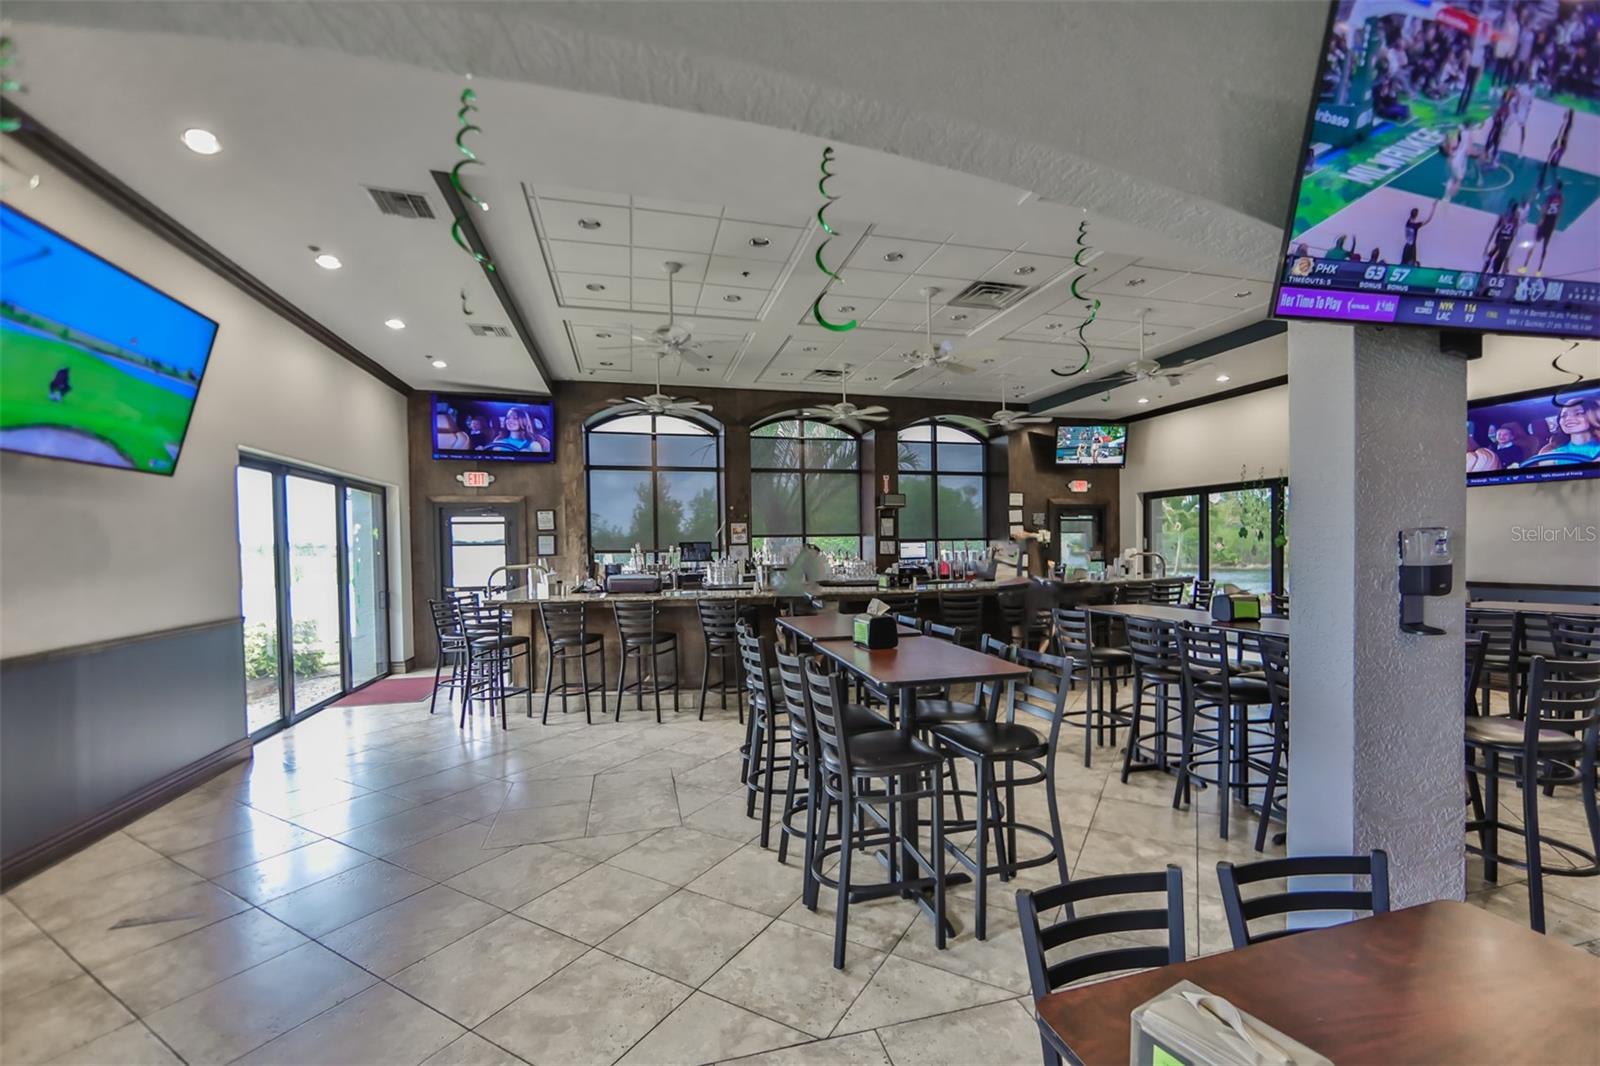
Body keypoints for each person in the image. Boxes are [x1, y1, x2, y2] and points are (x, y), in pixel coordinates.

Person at [1533, 398, 1600, 464]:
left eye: (1578, 413)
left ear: (1594, 415)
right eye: (1564, 415)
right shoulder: (1551, 455)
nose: (1568, 418)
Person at [1521, 180, 1564, 274]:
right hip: (1552, 222)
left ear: (1556, 186)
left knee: (1534, 243)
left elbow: (1544, 208)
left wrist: (1541, 220)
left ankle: (1525, 265)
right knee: (1545, 247)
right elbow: (1559, 211)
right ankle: (1539, 270)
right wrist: (1555, 223)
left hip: (1546, 220)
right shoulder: (1561, 198)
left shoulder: (1551, 196)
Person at [1480, 198, 1522, 275]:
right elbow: (1514, 233)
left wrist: (1487, 246)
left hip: (1499, 241)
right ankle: (1491, 278)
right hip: (1505, 244)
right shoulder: (1516, 219)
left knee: (1489, 258)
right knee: (1497, 264)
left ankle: (1482, 275)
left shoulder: (1503, 216)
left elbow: (1494, 230)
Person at [1539, 107, 1574, 188]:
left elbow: (1556, 149)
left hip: (1560, 146)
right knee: (1564, 130)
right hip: (1560, 146)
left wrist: (1548, 160)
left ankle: (1569, 114)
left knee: (1564, 130)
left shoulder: (1557, 148)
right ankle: (1569, 114)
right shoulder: (1558, 148)